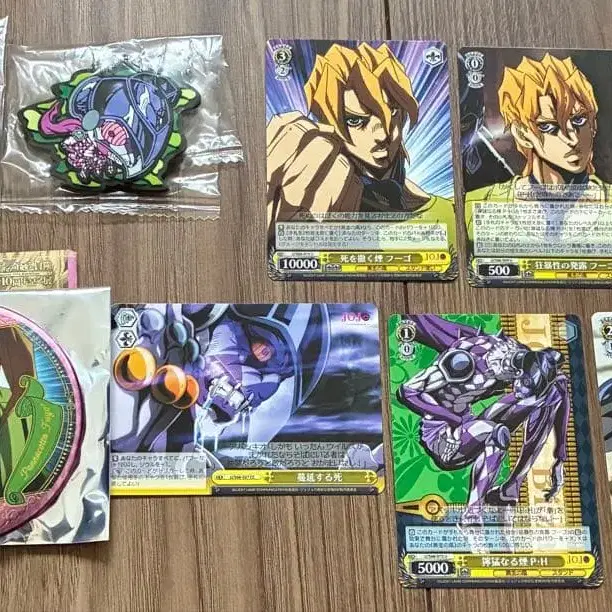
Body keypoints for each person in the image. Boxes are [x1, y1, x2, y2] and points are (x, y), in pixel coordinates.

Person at [267, 42, 453, 234]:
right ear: (327, 123)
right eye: (356, 121)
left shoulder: (445, 212)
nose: (382, 135)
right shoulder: (309, 195)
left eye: (392, 112)